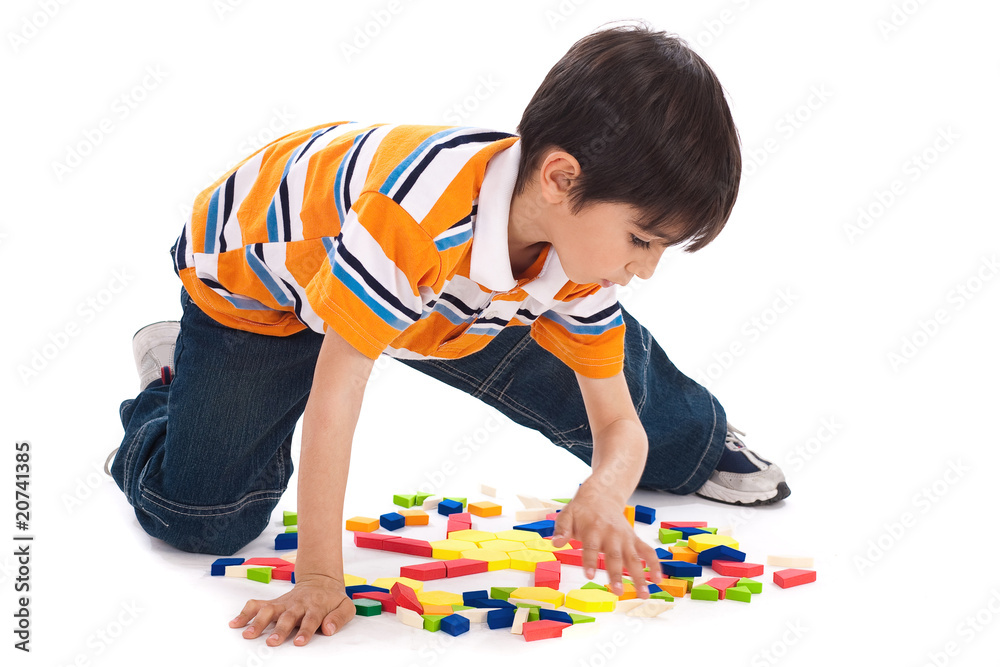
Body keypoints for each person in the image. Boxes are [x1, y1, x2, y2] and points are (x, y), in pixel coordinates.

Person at [106, 22, 788, 647]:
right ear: (560, 178)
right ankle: (173, 382)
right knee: (200, 519)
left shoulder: (575, 252)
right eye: (642, 240)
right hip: (261, 284)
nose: (646, 269)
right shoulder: (416, 218)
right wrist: (318, 576)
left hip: (442, 299)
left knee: (621, 375)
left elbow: (618, 424)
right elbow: (337, 391)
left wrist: (605, 492)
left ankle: (695, 438)